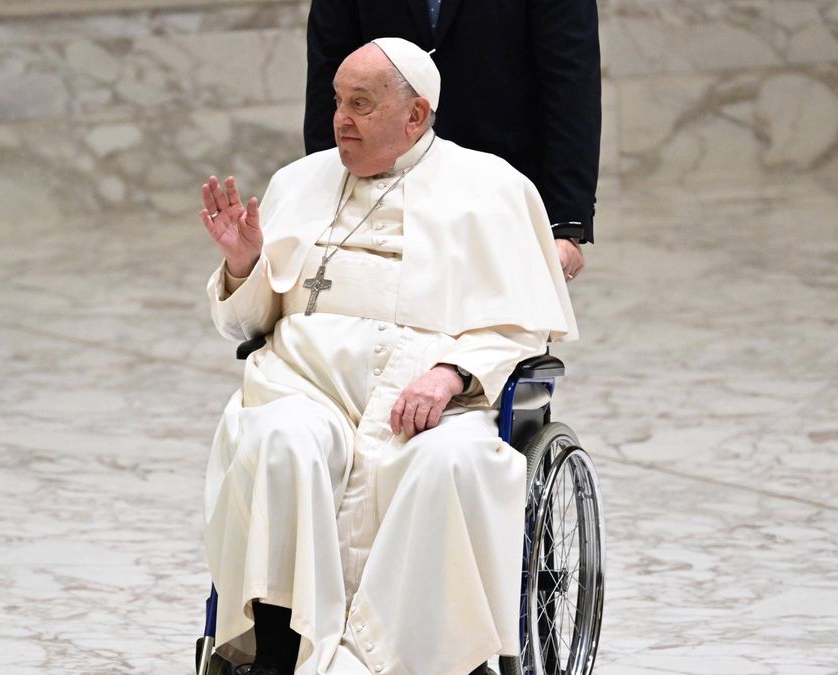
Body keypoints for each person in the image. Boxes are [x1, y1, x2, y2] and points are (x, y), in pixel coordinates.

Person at [200, 38, 576, 675]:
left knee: (448, 463)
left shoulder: (492, 187)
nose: (341, 119)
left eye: (362, 104)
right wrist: (244, 264)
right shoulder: (299, 181)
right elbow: (249, 323)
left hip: (431, 400)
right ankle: (278, 648)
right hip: (306, 384)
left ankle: (427, 659)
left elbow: (523, 325)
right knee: (277, 439)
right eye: (338, 101)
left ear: (416, 115)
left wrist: (451, 372)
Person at [303, 0, 601, 282]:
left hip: (502, 199)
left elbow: (571, 84)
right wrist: (325, 200)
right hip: (377, 201)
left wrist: (564, 225)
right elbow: (329, 75)